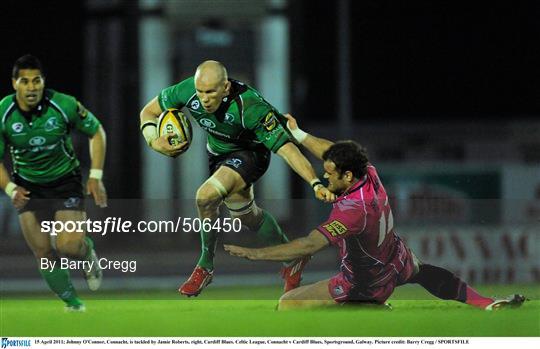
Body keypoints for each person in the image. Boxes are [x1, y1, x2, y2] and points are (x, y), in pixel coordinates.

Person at [224, 114, 526, 311]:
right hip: (396, 256)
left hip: (365, 281)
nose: (325, 178)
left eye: (330, 175)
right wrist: (298, 134)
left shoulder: (352, 212)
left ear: (346, 177)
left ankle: (367, 306)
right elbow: (332, 153)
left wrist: (256, 255)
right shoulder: (368, 173)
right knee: (424, 272)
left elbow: (307, 245)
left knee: (287, 305)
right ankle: (485, 302)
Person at [140, 60, 335, 297]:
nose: (204, 99)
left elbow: (287, 149)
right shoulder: (187, 89)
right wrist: (153, 140)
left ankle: (205, 265)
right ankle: (293, 257)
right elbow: (148, 112)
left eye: (211, 92)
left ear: (226, 88)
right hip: (218, 155)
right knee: (246, 216)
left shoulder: (251, 106)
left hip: (250, 154)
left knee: (205, 196)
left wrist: (314, 182)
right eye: (200, 92)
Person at [0, 55, 107, 311]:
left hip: (64, 181)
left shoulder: (63, 104)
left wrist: (95, 175)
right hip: (28, 187)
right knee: (44, 253)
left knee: (67, 246)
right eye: (24, 81)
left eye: (36, 80)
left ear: (43, 82)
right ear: (14, 83)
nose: (32, 87)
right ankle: (73, 304)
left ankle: (87, 252)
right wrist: (10, 188)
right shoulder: (3, 113)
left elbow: (96, 132)